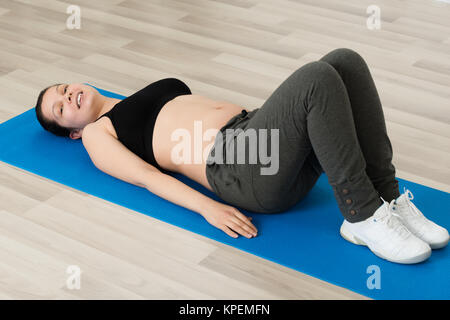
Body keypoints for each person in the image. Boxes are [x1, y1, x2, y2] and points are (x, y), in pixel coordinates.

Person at [35, 48, 448, 264]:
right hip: (236, 166)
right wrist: (207, 209)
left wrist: (287, 124)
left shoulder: (131, 97)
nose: (67, 96)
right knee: (317, 77)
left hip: (256, 142)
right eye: (61, 107)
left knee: (344, 61)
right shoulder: (95, 134)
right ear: (71, 131)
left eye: (62, 88)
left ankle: (387, 196)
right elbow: (147, 177)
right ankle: (360, 216)